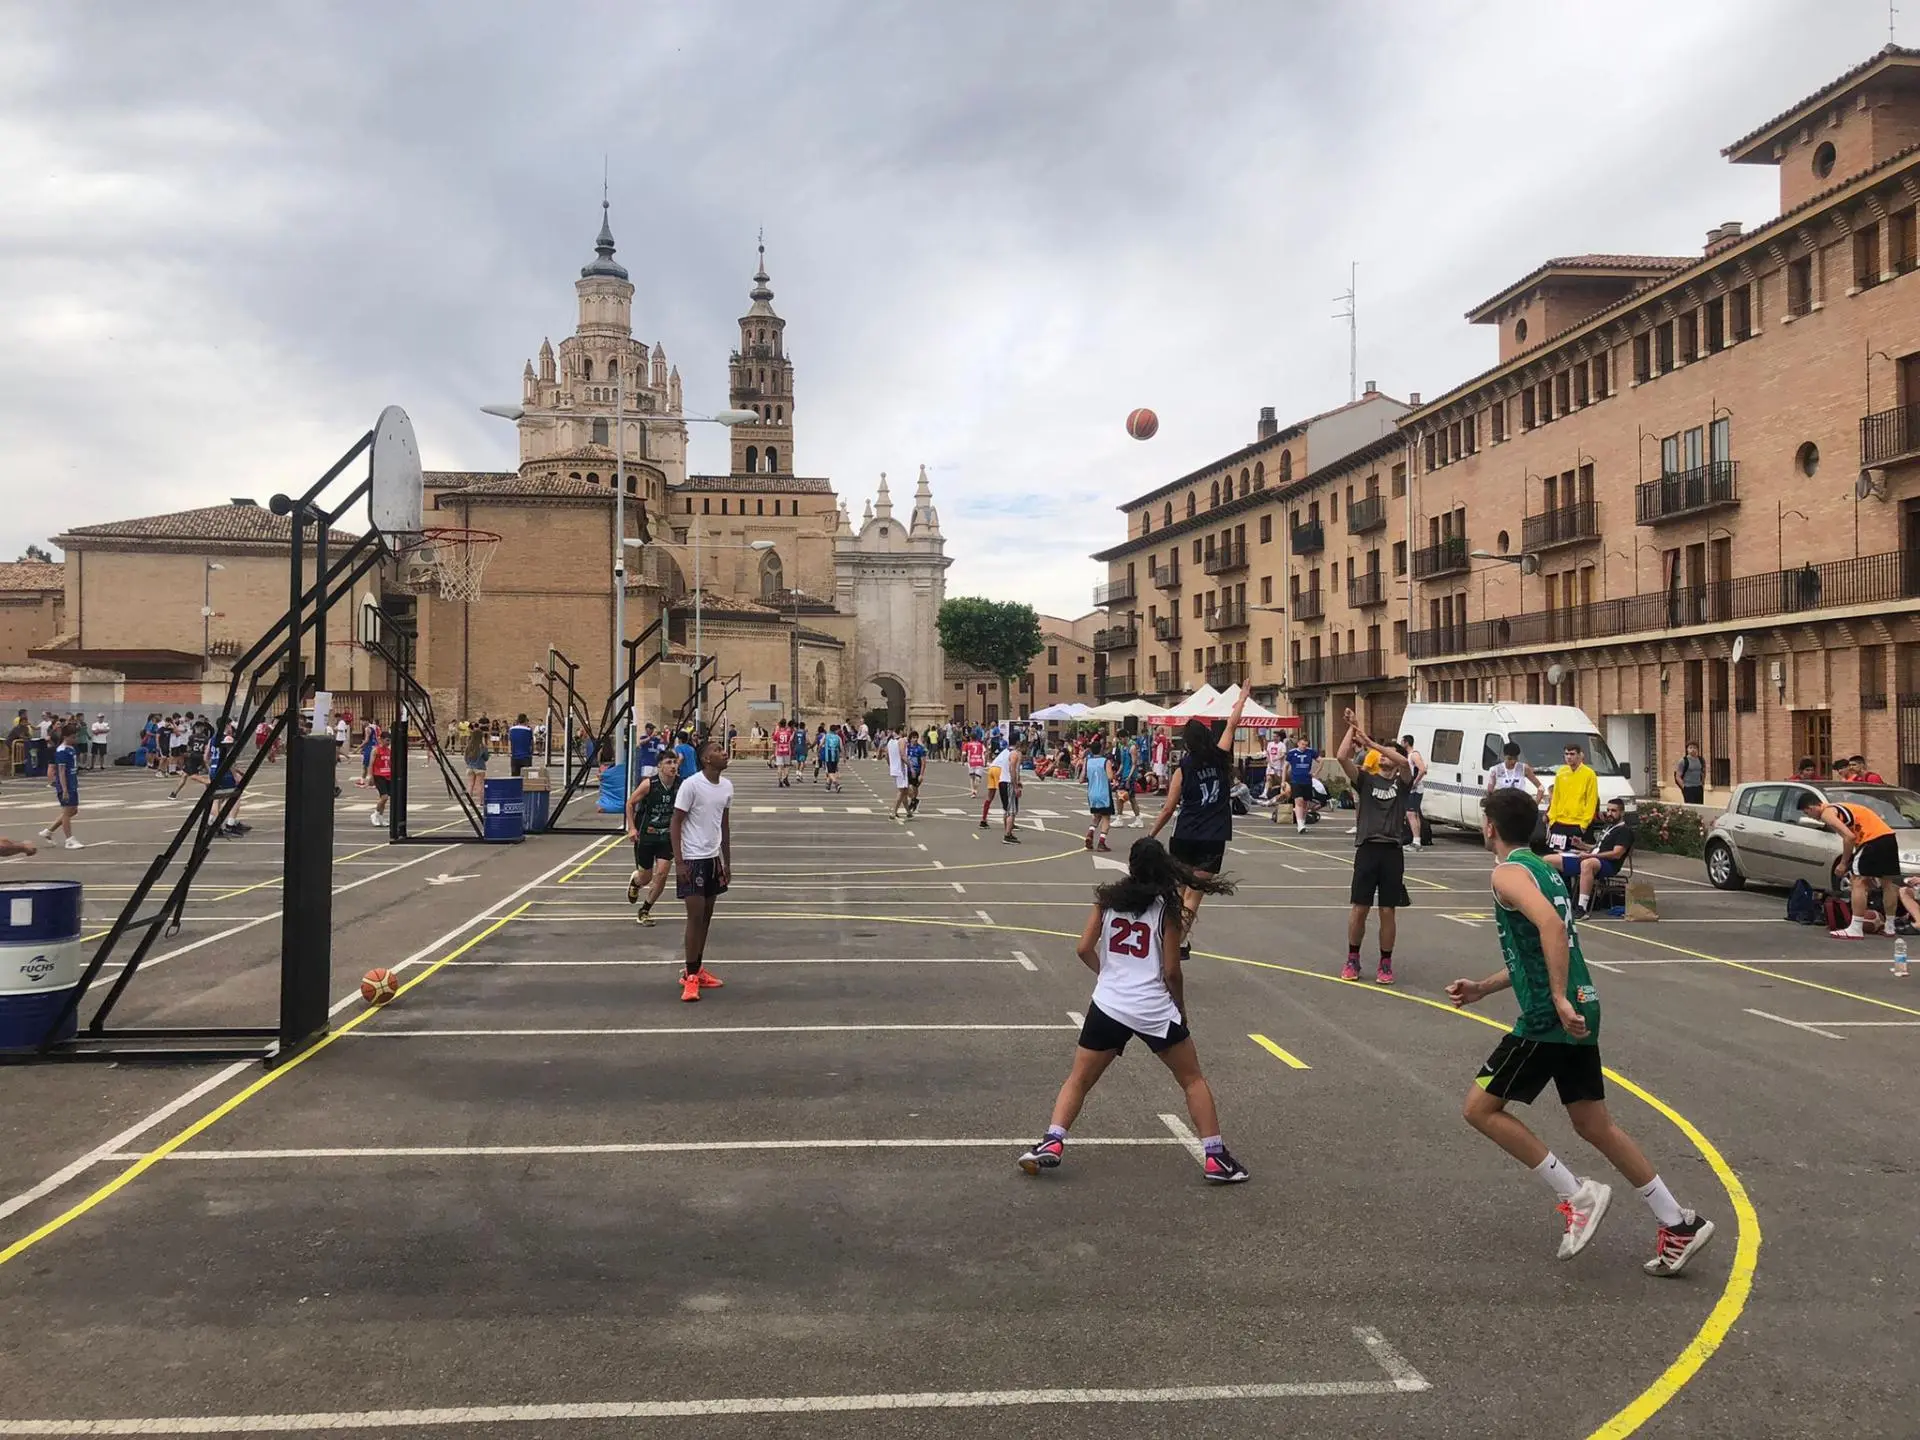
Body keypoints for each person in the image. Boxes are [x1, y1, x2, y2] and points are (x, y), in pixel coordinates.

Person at [1448, 786, 1715, 1275]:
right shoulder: (1544, 869)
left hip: (1549, 1018)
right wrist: (1484, 987)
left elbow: (1551, 928)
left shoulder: (1506, 873)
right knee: (1594, 1125)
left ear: (1490, 826)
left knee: (1479, 1109)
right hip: (1582, 1005)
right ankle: (1678, 1221)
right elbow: (1542, 947)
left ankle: (1577, 1194)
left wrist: (1554, 996)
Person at [1017, 836, 1248, 1184]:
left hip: (1109, 1004)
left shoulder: (1107, 901)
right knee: (1192, 1080)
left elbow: (1083, 949)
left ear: (1131, 866)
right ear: (1163, 867)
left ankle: (1052, 1141)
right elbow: (1172, 971)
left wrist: (1108, 975)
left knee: (1079, 1079)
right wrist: (1179, 1007)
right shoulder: (1167, 910)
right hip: (1152, 1007)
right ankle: (1216, 1158)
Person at [1146, 686, 1249, 958]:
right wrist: (1241, 700)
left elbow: (1169, 808)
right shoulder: (1221, 757)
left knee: (1178, 892)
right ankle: (1177, 942)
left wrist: (1151, 834)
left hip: (1185, 835)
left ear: (1187, 744)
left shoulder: (1184, 768)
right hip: (1212, 837)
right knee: (1194, 895)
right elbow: (1231, 725)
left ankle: (1168, 938)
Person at [1333, 707, 1412, 984]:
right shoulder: (1366, 780)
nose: (1384, 756)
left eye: (1388, 753)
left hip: (1392, 851)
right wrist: (1353, 727)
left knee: (1387, 910)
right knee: (1360, 907)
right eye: (1382, 753)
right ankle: (1352, 958)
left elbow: (1404, 762)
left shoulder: (1402, 783)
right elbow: (1341, 757)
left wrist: (1371, 743)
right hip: (1368, 849)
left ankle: (1385, 962)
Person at [1799, 792, 1920, 940]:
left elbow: (1849, 837)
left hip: (1871, 840)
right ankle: (1889, 927)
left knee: (1857, 881)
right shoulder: (1843, 807)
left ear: (1812, 807)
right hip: (1888, 838)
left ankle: (1856, 928)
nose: (1811, 817)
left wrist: (1843, 863)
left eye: (1808, 813)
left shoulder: (1827, 812)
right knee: (1888, 884)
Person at [671, 737, 733, 1002]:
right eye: (718, 750)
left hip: (712, 858)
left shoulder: (727, 786)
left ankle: (696, 968)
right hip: (692, 859)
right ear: (707, 759)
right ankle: (690, 977)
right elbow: (676, 823)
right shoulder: (691, 785)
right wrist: (679, 862)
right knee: (694, 918)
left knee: (706, 917)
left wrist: (726, 861)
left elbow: (724, 825)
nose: (724, 752)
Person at [626, 749, 681, 927]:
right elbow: (630, 803)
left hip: (667, 837)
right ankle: (636, 882)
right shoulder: (649, 784)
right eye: (668, 763)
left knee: (662, 873)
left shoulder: (681, 785)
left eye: (675, 762)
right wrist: (632, 828)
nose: (673, 766)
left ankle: (645, 910)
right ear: (659, 766)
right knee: (646, 878)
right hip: (647, 836)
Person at [1565, 797, 1634, 915]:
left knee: (1587, 864)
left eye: (1613, 811)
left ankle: (1582, 907)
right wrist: (1581, 845)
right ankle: (1562, 898)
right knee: (1550, 859)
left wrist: (1589, 856)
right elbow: (1597, 848)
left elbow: (1616, 854)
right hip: (1594, 858)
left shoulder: (1624, 831)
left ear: (1622, 813)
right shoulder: (1608, 828)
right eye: (1608, 810)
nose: (1609, 813)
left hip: (1608, 864)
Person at [37, 725, 83, 850]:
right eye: (72, 737)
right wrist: (65, 790)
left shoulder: (71, 749)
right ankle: (69, 840)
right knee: (67, 812)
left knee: (73, 810)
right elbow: (61, 772)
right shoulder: (61, 751)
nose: (75, 739)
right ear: (65, 737)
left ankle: (48, 831)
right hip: (65, 785)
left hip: (72, 783)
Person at [1546, 744, 1599, 850]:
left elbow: (1591, 800)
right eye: (1566, 754)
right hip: (1559, 823)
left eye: (1572, 754)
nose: (1569, 757)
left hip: (1578, 824)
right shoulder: (1561, 772)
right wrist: (1552, 820)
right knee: (1557, 854)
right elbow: (1555, 797)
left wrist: (1584, 824)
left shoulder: (1589, 774)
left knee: (1576, 855)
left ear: (1579, 755)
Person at [1083, 733, 1115, 852]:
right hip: (1103, 792)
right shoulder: (1105, 761)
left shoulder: (1088, 761)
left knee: (1096, 816)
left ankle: (1090, 833)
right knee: (1106, 817)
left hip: (1092, 793)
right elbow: (1110, 776)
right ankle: (1101, 842)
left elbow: (1082, 777)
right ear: (1101, 749)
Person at [1282, 731, 1319, 833]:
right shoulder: (1292, 753)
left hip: (1307, 780)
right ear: (1298, 743)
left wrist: (1315, 773)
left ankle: (1302, 821)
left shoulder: (1311, 752)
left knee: (1305, 803)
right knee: (1298, 801)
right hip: (1296, 780)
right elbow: (1285, 767)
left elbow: (1321, 761)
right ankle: (1300, 824)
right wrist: (1283, 781)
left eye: (1306, 745)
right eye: (1302, 744)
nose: (1304, 747)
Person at [991, 738, 1024, 842]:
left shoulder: (1006, 752)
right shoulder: (1015, 754)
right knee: (1012, 811)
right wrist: (1016, 785)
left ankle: (1008, 831)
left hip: (1002, 781)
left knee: (1006, 809)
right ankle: (1007, 835)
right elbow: (1013, 769)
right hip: (1008, 782)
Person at [1401, 734, 1430, 848]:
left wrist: (1414, 783)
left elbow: (1422, 770)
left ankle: (1416, 841)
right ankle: (1416, 840)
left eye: (1402, 741)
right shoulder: (1409, 755)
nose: (1401, 744)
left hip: (1415, 789)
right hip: (1414, 788)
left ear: (1406, 742)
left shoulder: (1414, 755)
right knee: (1414, 814)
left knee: (1411, 813)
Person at [368, 730, 394, 828]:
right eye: (387, 740)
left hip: (388, 775)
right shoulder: (376, 750)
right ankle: (375, 814)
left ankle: (381, 817)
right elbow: (371, 764)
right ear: (381, 740)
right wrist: (370, 776)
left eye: (389, 740)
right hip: (378, 775)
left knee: (385, 799)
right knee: (384, 797)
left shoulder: (389, 751)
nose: (388, 742)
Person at [462, 717, 490, 802]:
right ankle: (481, 801)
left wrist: (469, 763)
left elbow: (465, 757)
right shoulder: (482, 746)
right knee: (479, 785)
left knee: (470, 785)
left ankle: (469, 801)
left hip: (470, 767)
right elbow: (486, 757)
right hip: (480, 767)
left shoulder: (469, 746)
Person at [886, 728, 910, 819]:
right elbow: (903, 755)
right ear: (900, 731)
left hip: (895, 768)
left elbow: (887, 756)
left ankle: (908, 811)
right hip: (901, 768)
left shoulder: (890, 742)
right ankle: (893, 812)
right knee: (901, 791)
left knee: (904, 791)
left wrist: (891, 765)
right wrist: (910, 765)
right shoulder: (901, 740)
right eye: (904, 730)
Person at [904, 730, 927, 817]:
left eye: (916, 737)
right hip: (908, 770)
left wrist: (921, 774)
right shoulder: (907, 747)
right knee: (908, 788)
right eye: (913, 738)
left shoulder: (920, 748)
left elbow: (923, 762)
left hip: (916, 770)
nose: (915, 739)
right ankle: (914, 800)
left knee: (914, 787)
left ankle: (914, 800)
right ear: (910, 739)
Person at [817, 723, 843, 792]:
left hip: (828, 756)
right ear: (835, 730)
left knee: (829, 772)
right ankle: (828, 785)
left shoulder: (826, 736)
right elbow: (841, 747)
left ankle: (836, 784)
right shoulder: (838, 737)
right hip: (836, 756)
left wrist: (818, 752)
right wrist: (844, 757)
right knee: (832, 772)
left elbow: (820, 744)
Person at [962, 731, 987, 797]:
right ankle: (975, 791)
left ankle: (973, 791)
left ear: (970, 738)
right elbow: (985, 752)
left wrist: (963, 762)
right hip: (979, 761)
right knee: (978, 778)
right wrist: (985, 762)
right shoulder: (980, 744)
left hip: (971, 762)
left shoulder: (967, 744)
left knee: (972, 777)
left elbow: (964, 754)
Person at [773, 718, 793, 786]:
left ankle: (780, 781)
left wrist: (776, 730)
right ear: (785, 725)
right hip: (786, 750)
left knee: (779, 766)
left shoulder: (778, 733)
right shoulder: (788, 733)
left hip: (779, 750)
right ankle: (785, 777)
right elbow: (790, 740)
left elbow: (774, 739)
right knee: (787, 765)